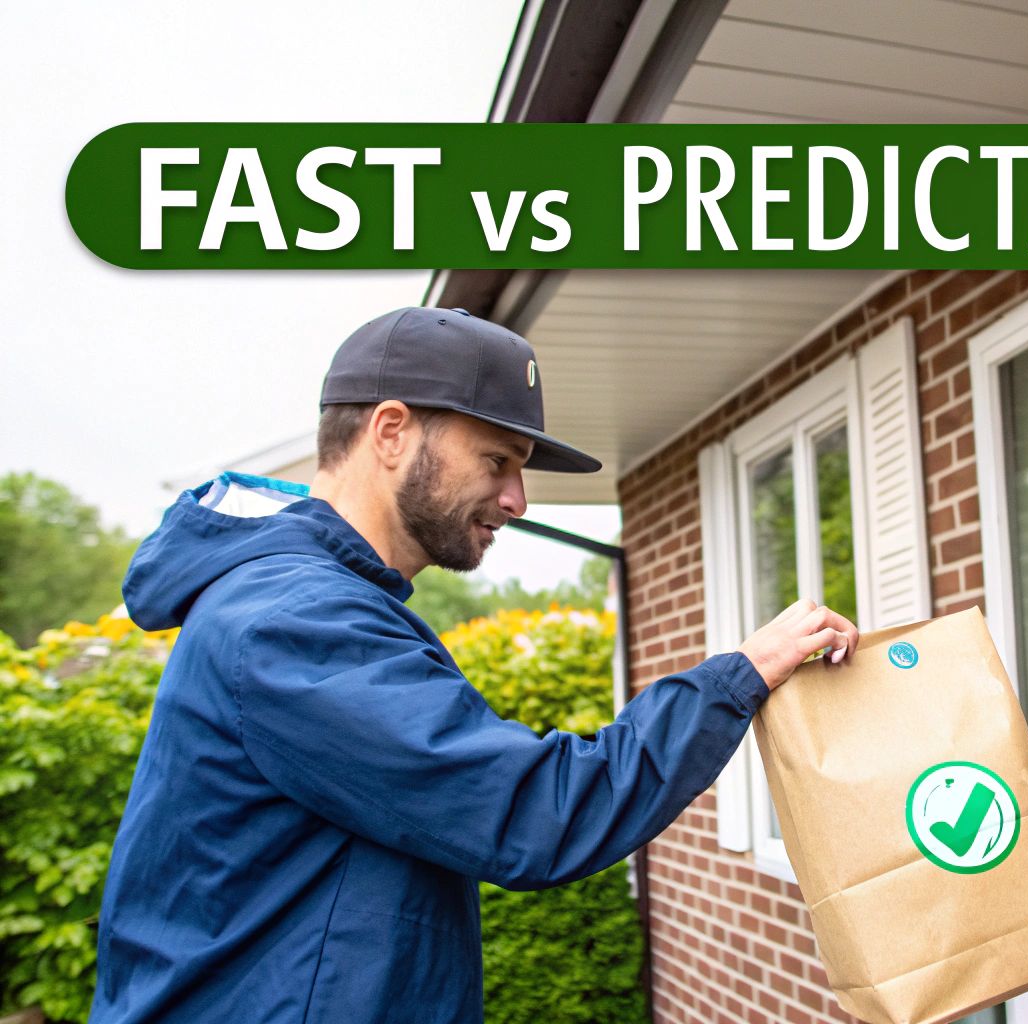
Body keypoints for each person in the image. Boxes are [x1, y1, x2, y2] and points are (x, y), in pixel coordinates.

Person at [90, 307, 860, 1024]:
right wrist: (739, 676)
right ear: (391, 432)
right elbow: (540, 813)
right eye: (496, 460)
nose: (517, 499)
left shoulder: (310, 604)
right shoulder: (296, 620)